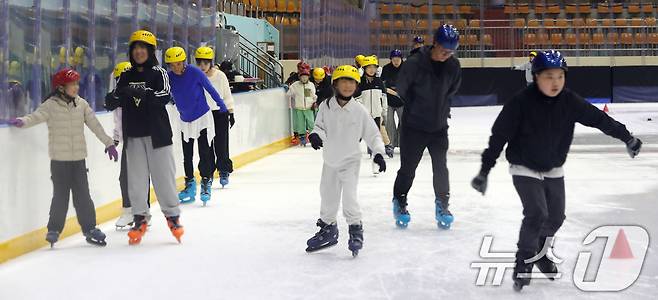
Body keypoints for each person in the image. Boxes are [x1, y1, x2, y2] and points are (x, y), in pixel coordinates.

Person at [470, 50, 643, 291]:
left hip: (552, 165)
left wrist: (628, 138)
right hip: (524, 165)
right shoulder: (520, 103)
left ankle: (540, 252)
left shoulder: (570, 101)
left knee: (556, 217)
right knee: (536, 213)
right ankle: (524, 262)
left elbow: (599, 119)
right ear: (536, 76)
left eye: (560, 76)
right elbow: (498, 137)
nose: (555, 82)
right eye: (549, 76)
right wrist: (484, 171)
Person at [8, 68, 118, 247]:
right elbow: (36, 116)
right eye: (72, 84)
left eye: (76, 83)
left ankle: (90, 228)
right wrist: (22, 121)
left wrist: (109, 143)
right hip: (59, 161)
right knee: (60, 196)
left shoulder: (81, 104)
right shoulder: (50, 105)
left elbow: (95, 125)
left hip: (79, 160)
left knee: (83, 196)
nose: (76, 87)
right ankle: (54, 229)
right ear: (60, 88)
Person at [105, 30, 183, 245]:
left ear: (150, 51)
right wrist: (112, 98)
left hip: (158, 134)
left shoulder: (159, 73)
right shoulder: (126, 75)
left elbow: (164, 96)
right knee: (137, 181)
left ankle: (173, 217)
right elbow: (115, 98)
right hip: (134, 134)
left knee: (163, 178)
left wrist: (143, 93)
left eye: (143, 48)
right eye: (135, 48)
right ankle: (140, 219)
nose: (139, 51)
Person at [305, 65, 387, 257]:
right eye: (344, 81)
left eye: (352, 82)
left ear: (356, 86)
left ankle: (355, 229)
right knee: (327, 196)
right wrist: (316, 135)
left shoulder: (359, 110)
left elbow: (372, 134)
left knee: (349, 199)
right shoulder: (326, 106)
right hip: (330, 161)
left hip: (350, 161)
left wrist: (378, 153)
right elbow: (319, 127)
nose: (348, 85)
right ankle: (328, 229)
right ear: (335, 84)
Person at [391, 24, 462, 229]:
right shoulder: (414, 63)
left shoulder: (453, 65)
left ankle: (443, 205)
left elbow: (452, 90)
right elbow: (402, 89)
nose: (446, 55)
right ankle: (400, 201)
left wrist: (439, 109)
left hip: (439, 127)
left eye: (451, 52)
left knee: (441, 168)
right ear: (435, 43)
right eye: (443, 51)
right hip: (414, 127)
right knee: (408, 169)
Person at [165, 46, 227, 204]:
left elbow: (210, 89)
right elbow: (165, 92)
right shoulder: (169, 76)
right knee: (187, 155)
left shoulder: (195, 72)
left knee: (204, 152)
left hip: (202, 118)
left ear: (183, 62)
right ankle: (190, 184)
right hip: (185, 120)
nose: (175, 67)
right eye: (171, 65)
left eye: (178, 64)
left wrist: (222, 106)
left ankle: (206, 182)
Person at [107, 61, 152, 229]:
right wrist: (116, 138)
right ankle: (128, 210)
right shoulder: (117, 99)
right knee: (125, 177)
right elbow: (118, 121)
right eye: (118, 79)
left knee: (140, 177)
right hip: (129, 143)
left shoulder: (139, 96)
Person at [195, 46, 235, 189]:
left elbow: (227, 95)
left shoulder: (220, 76)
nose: (202, 66)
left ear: (210, 62)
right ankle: (208, 173)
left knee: (221, 144)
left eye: (205, 63)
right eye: (199, 63)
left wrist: (231, 113)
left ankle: (224, 170)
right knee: (206, 147)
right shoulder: (195, 76)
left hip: (220, 114)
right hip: (203, 115)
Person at [357, 55, 388, 175]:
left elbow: (384, 98)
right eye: (368, 67)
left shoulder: (379, 82)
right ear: (364, 68)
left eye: (373, 67)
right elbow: (356, 99)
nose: (371, 69)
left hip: (376, 115)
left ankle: (376, 163)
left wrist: (384, 112)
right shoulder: (360, 83)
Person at [381, 49, 405, 158]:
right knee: (389, 123)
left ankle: (402, 143)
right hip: (389, 101)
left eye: (398, 59)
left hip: (403, 101)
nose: (396, 61)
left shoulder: (407, 68)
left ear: (401, 59)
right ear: (390, 60)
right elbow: (381, 84)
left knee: (404, 123)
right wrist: (387, 90)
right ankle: (391, 144)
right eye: (394, 59)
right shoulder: (386, 69)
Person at [287, 64, 316, 146]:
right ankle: (302, 137)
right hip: (299, 108)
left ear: (308, 77)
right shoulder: (295, 85)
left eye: (306, 77)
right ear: (299, 77)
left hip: (309, 108)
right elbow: (289, 93)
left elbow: (312, 95)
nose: (304, 78)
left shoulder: (311, 85)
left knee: (311, 123)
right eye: (302, 77)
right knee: (301, 124)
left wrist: (314, 102)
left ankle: (313, 136)